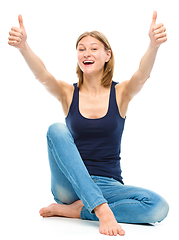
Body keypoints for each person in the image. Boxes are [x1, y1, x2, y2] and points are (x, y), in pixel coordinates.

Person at [8, 11, 169, 236]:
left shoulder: (120, 93)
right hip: (70, 186)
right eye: (81, 49)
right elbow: (43, 75)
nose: (86, 52)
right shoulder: (68, 93)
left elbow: (142, 75)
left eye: (94, 48)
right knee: (56, 129)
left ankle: (77, 211)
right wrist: (23, 47)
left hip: (108, 185)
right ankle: (101, 210)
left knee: (158, 206)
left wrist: (153, 45)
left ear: (107, 55)